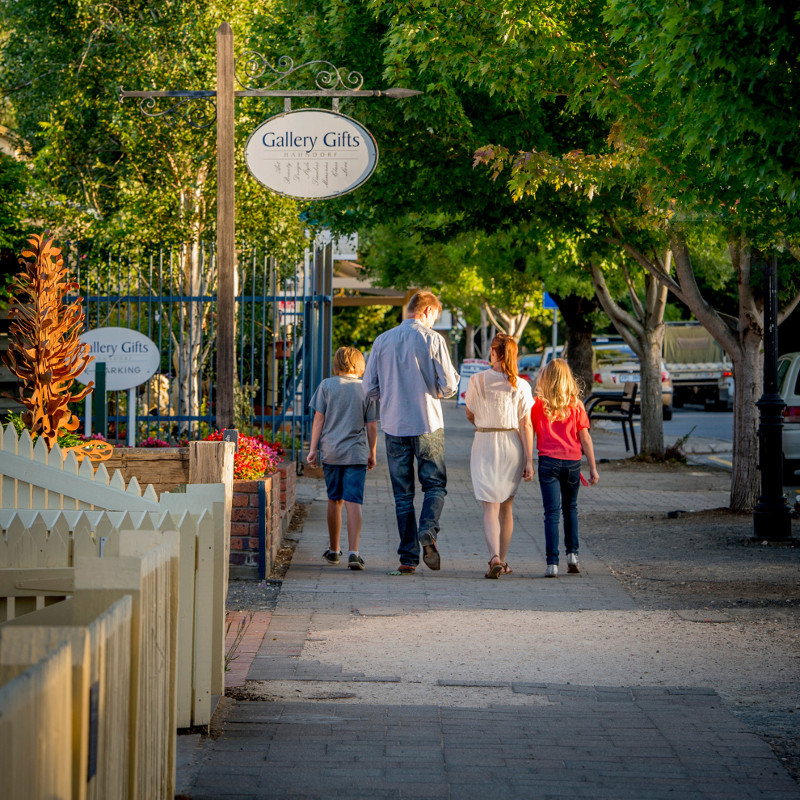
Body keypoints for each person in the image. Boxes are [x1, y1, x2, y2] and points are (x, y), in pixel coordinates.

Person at [362, 291, 460, 574]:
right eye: (436, 317)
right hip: (427, 422)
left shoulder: (382, 340)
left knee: (403, 495)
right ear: (427, 311)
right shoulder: (433, 339)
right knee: (435, 485)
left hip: (393, 425)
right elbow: (450, 385)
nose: (434, 322)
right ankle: (428, 530)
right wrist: (437, 391)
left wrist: (390, 395)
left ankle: (408, 558)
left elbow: (369, 388)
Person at [465, 333, 534, 578]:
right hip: (511, 444)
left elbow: (469, 413)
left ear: (494, 352)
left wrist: (483, 420)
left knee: (489, 506)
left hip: (484, 441)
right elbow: (526, 425)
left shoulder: (477, 380)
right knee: (507, 505)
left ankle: (493, 556)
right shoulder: (522, 385)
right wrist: (529, 460)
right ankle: (502, 561)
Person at [307, 346, 378, 570]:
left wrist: (313, 449)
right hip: (356, 453)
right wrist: (372, 451)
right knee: (353, 501)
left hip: (331, 452)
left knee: (334, 500)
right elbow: (372, 425)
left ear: (336, 364)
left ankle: (334, 549)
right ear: (359, 365)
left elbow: (319, 420)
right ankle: (354, 553)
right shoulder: (366, 389)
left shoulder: (326, 386)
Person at [531, 358, 599, 577]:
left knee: (551, 512)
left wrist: (525, 461)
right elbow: (585, 438)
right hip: (572, 463)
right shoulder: (576, 405)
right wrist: (593, 468)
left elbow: (529, 433)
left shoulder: (538, 405)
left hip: (547, 462)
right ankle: (573, 554)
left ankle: (552, 564)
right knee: (570, 508)